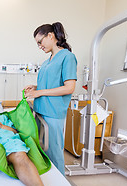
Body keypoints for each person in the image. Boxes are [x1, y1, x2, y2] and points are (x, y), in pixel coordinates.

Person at [23, 22, 77, 175]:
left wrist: (39, 93)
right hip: (40, 110)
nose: (39, 46)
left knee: (54, 153)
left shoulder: (67, 57)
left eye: (40, 42)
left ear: (50, 36)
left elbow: (69, 87)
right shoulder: (47, 61)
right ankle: (49, 181)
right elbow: (50, 84)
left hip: (53, 112)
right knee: (43, 151)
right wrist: (36, 87)